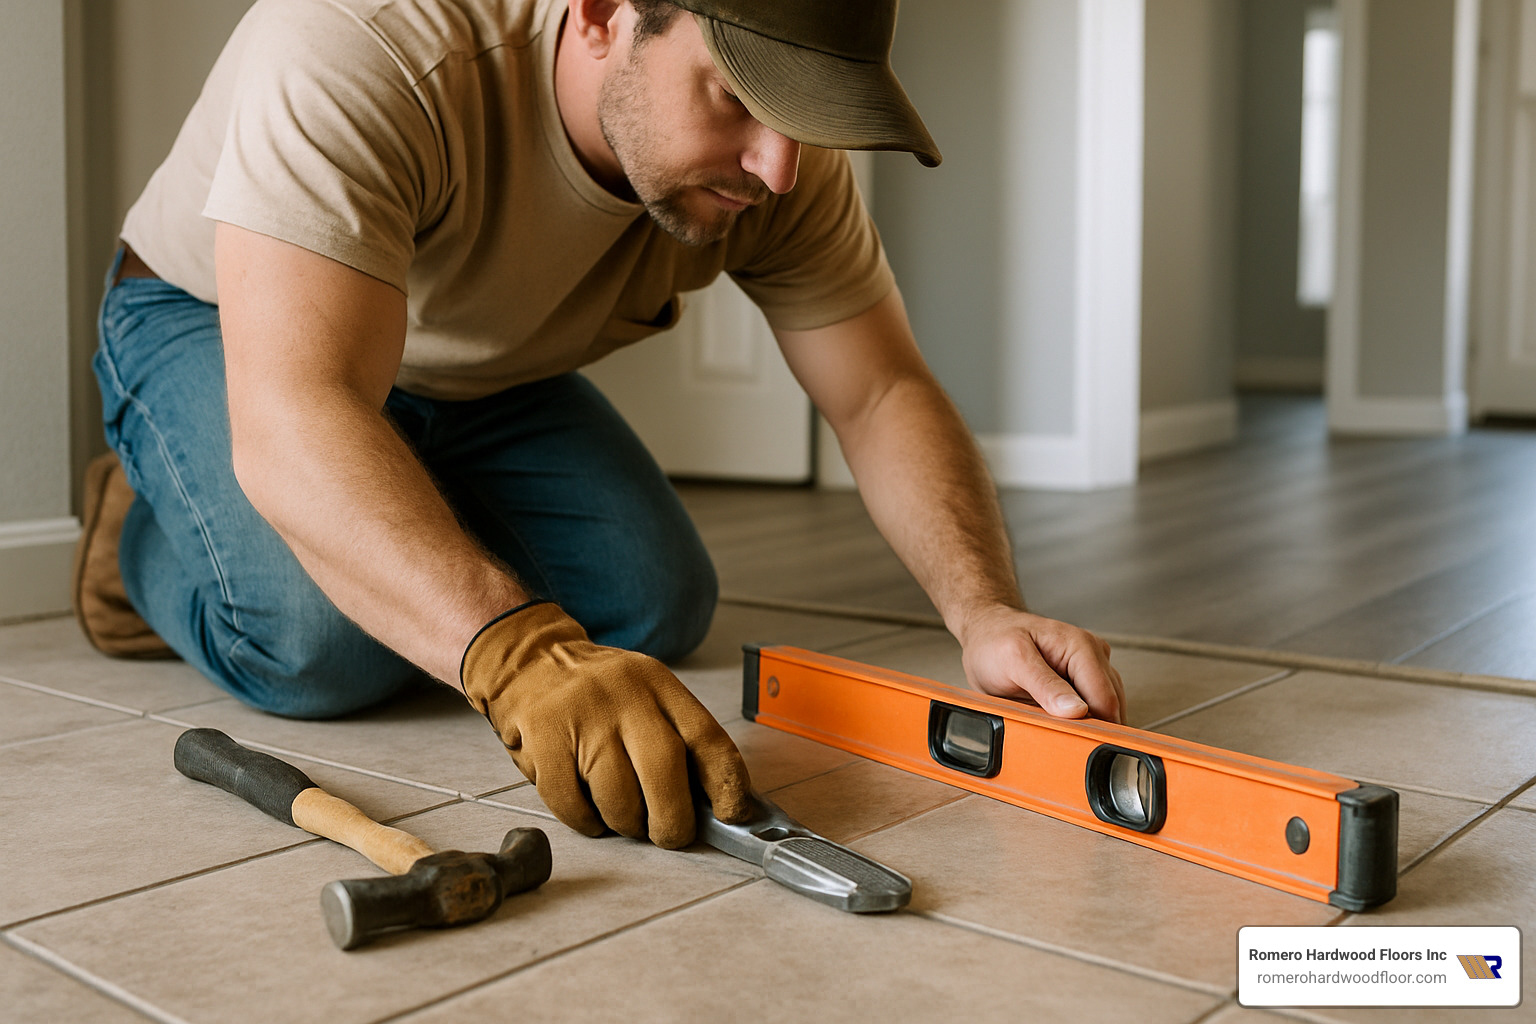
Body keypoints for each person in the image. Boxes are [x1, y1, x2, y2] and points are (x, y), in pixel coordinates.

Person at [74, 0, 1125, 850]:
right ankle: (140, 527)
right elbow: (298, 404)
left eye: (803, 115)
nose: (778, 168)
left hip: (475, 371)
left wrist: (983, 608)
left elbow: (881, 389)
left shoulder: (777, 167)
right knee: (318, 650)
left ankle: (383, 491)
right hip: (220, 326)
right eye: (737, 98)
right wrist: (517, 652)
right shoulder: (362, 43)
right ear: (601, 14)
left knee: (652, 602)